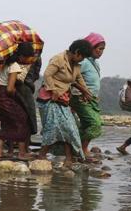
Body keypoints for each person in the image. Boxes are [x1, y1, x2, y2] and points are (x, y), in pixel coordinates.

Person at [37, 39, 93, 167]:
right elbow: (47, 75)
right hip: (50, 99)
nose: (82, 60)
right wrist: (53, 89)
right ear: (77, 52)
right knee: (53, 127)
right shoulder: (58, 59)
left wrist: (86, 92)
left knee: (70, 128)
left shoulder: (76, 65)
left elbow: (79, 80)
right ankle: (42, 154)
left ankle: (69, 157)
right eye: (82, 57)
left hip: (64, 99)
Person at [0, 43, 36, 159]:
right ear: (23, 57)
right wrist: (16, 94)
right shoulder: (15, 66)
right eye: (29, 57)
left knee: (6, 122)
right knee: (22, 119)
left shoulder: (4, 62)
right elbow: (9, 89)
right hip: (2, 95)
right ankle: (21, 153)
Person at [70, 33, 106, 160]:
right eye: (99, 48)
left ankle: (76, 148)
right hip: (81, 98)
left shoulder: (95, 64)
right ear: (90, 47)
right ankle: (82, 148)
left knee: (86, 125)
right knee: (95, 124)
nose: (101, 52)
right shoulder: (84, 62)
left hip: (91, 99)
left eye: (103, 49)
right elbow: (72, 79)